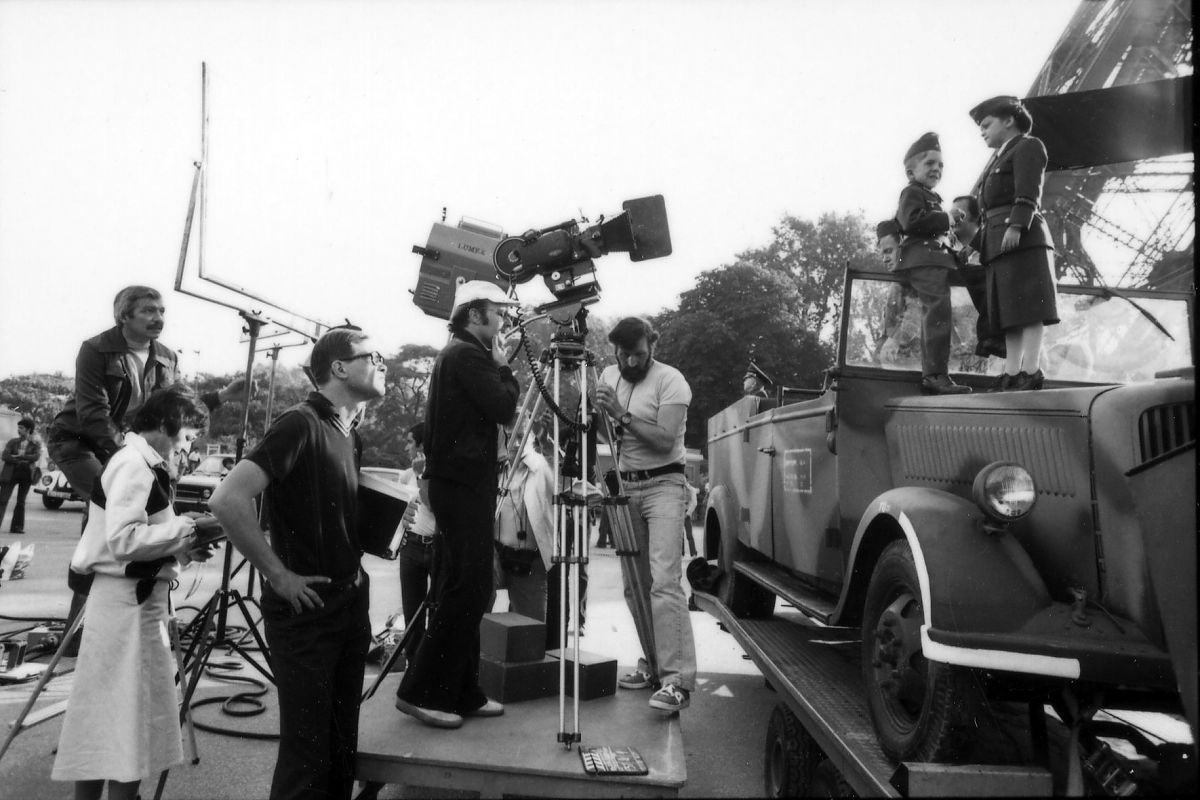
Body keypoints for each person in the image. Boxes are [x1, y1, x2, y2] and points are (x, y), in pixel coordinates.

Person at [208, 328, 387, 800]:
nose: (383, 364)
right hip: (307, 613)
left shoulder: (351, 432)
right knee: (307, 757)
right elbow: (227, 499)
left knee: (339, 747)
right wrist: (277, 574)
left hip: (349, 604)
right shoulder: (299, 423)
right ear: (340, 367)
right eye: (375, 356)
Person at [46, 285, 245, 650]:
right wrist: (132, 458)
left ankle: (141, 616)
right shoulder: (95, 349)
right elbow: (93, 414)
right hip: (79, 442)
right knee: (105, 510)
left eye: (162, 311)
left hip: (127, 447)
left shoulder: (166, 357)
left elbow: (173, 408)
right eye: (149, 311)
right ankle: (78, 633)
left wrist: (221, 397)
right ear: (124, 316)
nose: (159, 318)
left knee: (145, 516)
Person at [52, 388, 219, 800]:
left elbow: (139, 538)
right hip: (128, 604)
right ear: (167, 423)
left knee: (108, 716)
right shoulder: (135, 464)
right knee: (127, 718)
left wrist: (183, 545)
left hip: (130, 601)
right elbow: (124, 541)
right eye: (190, 431)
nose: (191, 441)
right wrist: (191, 529)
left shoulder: (141, 463)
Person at [395, 280, 520, 729]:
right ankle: (421, 690)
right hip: (463, 483)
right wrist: (505, 368)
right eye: (497, 312)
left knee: (465, 585)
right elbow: (504, 407)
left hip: (462, 483)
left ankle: (461, 690)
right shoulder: (468, 355)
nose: (503, 320)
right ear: (474, 314)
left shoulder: (459, 353)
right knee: (468, 586)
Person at [594, 316, 697, 714]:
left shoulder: (671, 380)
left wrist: (619, 413)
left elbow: (664, 438)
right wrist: (598, 416)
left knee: (664, 581)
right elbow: (607, 434)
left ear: (651, 345)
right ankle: (654, 668)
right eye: (624, 355)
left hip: (664, 486)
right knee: (634, 585)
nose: (632, 362)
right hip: (626, 486)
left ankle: (677, 682)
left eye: (639, 354)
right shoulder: (607, 375)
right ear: (614, 351)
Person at [969, 95, 1059, 391]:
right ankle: (1011, 372)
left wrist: (1018, 225)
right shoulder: (999, 156)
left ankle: (1030, 370)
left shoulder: (1027, 146)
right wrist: (975, 244)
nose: (982, 131)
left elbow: (1028, 189)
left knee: (1030, 308)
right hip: (998, 240)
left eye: (986, 124)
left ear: (1009, 120)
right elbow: (987, 211)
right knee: (1010, 312)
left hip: (1021, 236)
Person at [893, 132, 972, 395]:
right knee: (937, 313)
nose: (937, 169)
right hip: (923, 261)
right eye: (930, 164)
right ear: (910, 171)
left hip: (936, 261)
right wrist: (947, 219)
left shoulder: (932, 197)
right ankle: (935, 374)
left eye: (941, 165)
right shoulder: (911, 193)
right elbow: (911, 222)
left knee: (976, 280)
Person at [492, 422, 555, 640]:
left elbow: (557, 485)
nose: (516, 443)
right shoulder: (495, 466)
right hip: (496, 555)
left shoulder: (540, 467)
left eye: (522, 436)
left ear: (531, 438)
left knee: (530, 632)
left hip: (528, 562)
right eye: (510, 436)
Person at [397, 421, 439, 664]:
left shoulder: (435, 475)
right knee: (412, 611)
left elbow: (434, 506)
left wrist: (422, 474)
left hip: (435, 547)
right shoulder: (405, 476)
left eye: (411, 442)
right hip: (411, 546)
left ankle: (432, 668)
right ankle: (413, 664)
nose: (406, 447)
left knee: (436, 611)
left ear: (422, 446)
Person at [951, 194, 1006, 359]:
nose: (953, 219)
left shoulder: (994, 256)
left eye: (959, 213)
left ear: (978, 218)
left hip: (992, 357)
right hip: (956, 354)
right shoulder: (947, 257)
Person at [874, 220, 923, 367]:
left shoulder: (915, 279)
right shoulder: (897, 282)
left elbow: (916, 312)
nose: (885, 259)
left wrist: (896, 340)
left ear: (903, 247)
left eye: (889, 251)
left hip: (911, 363)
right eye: (882, 254)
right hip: (894, 362)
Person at [1, 418, 41, 534]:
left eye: (21, 428)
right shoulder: (13, 441)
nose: (19, 430)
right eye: (18, 428)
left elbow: (36, 457)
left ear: (28, 430)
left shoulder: (35, 443)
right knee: (2, 500)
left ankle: (17, 527)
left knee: (21, 502)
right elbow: (5, 456)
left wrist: (19, 457)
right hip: (11, 473)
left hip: (26, 474)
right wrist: (22, 459)